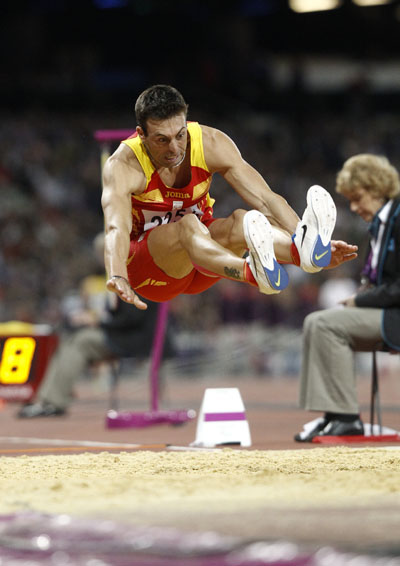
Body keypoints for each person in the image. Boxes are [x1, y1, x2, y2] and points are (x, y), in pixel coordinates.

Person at [101, 84, 357, 309]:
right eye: (162, 140)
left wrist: (298, 231)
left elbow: (265, 198)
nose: (174, 149)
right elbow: (116, 229)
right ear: (141, 134)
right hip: (150, 272)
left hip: (207, 260)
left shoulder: (210, 143)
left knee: (243, 220)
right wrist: (118, 274)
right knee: (189, 224)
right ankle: (252, 272)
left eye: (180, 135)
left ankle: (304, 250)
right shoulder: (123, 165)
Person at [295, 154, 400, 442]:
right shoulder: (381, 223)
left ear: (377, 187)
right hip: (387, 311)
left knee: (326, 325)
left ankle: (346, 417)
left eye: (358, 197)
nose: (354, 207)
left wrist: (359, 302)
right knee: (315, 322)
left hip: (394, 315)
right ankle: (332, 414)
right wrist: (363, 295)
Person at [17, 235, 164, 418]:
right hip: (120, 334)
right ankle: (49, 398)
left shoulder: (136, 275)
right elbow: (119, 314)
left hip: (134, 339)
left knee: (82, 340)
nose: (100, 259)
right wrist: (95, 319)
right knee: (71, 339)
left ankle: (53, 400)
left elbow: (133, 318)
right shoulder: (123, 273)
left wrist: (97, 321)